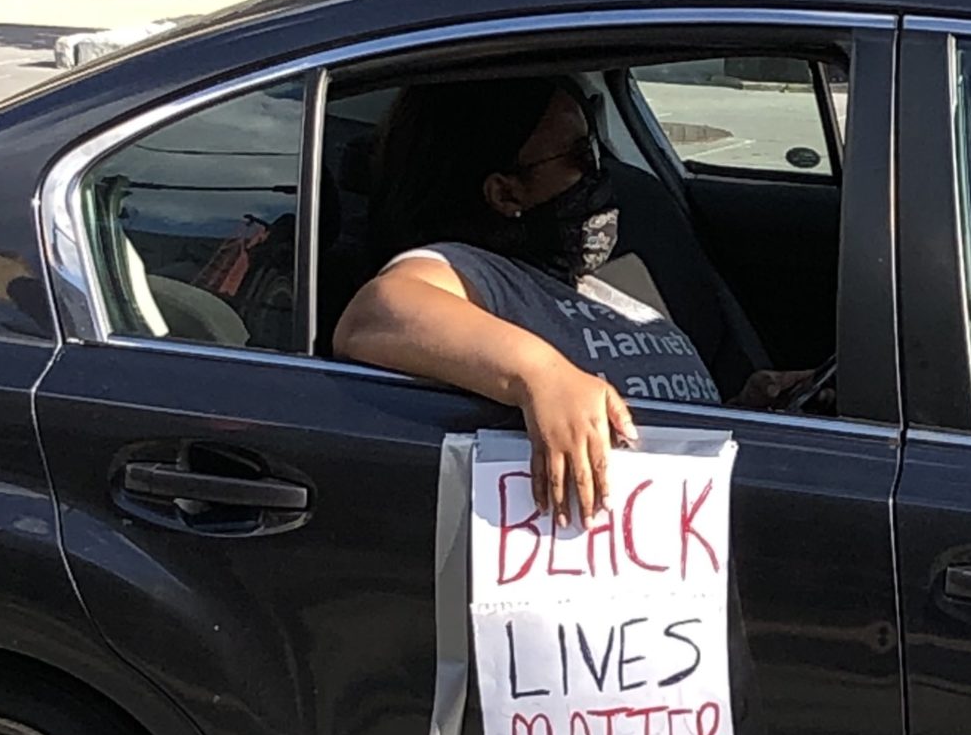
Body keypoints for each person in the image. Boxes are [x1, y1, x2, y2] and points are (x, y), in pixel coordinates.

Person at [335, 76, 809, 526]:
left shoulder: (602, 285)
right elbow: (376, 314)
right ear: (505, 193)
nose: (599, 172)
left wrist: (744, 407)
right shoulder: (481, 274)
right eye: (579, 156)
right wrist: (541, 375)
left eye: (596, 150)